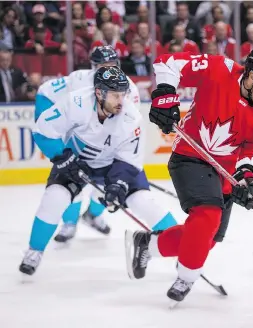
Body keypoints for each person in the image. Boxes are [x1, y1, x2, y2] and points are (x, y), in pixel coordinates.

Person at [124, 49, 253, 304]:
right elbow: (170, 62)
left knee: (208, 238)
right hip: (190, 154)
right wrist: (165, 93)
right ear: (251, 75)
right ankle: (186, 277)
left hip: (226, 173)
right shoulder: (219, 69)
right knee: (208, 215)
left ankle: (148, 244)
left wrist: (248, 179)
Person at [19, 66, 177, 275]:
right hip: (76, 160)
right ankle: (34, 251)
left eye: (123, 94)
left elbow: (129, 161)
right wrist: (63, 158)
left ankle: (182, 250)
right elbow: (43, 131)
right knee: (54, 198)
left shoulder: (131, 117)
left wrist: (117, 185)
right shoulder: (75, 103)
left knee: (144, 203)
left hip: (114, 165)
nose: (121, 101)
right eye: (114, 95)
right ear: (99, 93)